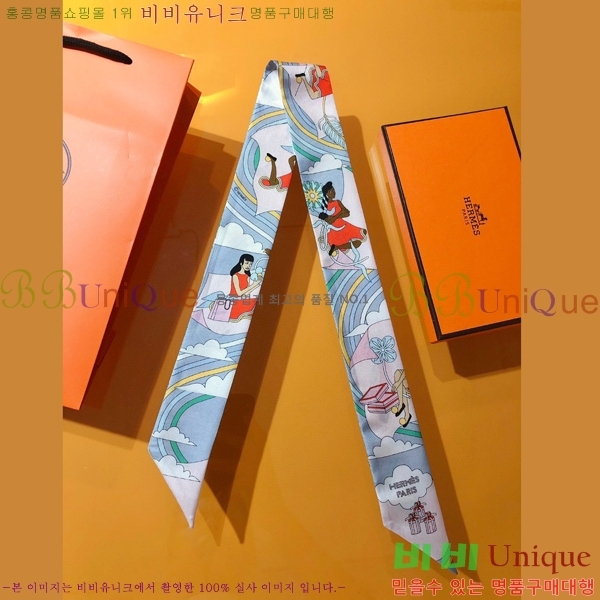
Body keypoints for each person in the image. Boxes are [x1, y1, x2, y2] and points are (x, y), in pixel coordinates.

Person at [318, 182, 367, 256]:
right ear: (327, 193)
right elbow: (329, 221)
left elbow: (347, 213)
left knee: (362, 234)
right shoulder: (324, 206)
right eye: (331, 191)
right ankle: (336, 247)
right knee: (353, 239)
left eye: (334, 190)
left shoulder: (337, 202)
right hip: (334, 228)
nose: (334, 192)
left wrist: (336, 216)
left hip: (343, 224)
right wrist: (340, 213)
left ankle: (337, 247)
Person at [229, 254, 262, 322]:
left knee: (257, 300)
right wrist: (253, 285)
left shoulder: (247, 276)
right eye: (246, 263)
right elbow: (239, 293)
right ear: (241, 263)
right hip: (234, 300)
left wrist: (256, 285)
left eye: (250, 264)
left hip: (242, 299)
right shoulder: (235, 275)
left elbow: (245, 294)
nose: (248, 266)